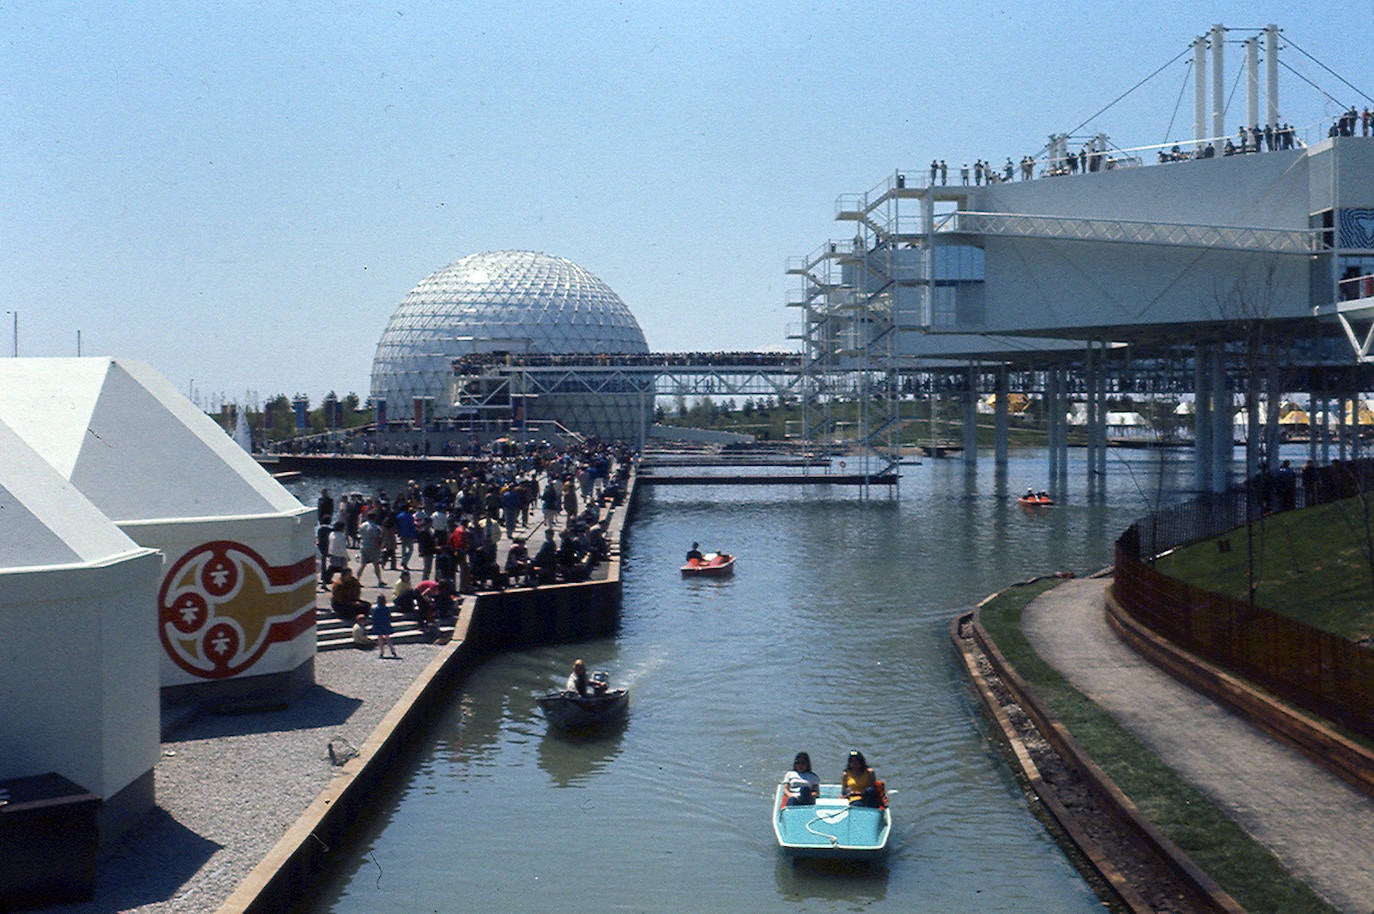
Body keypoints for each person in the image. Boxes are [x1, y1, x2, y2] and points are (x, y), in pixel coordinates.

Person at [371, 595, 399, 659]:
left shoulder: (376, 609)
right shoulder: (387, 609)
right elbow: (389, 617)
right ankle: (392, 650)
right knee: (388, 638)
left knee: (380, 638)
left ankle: (381, 652)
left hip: (379, 625)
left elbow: (374, 618)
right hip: (386, 624)